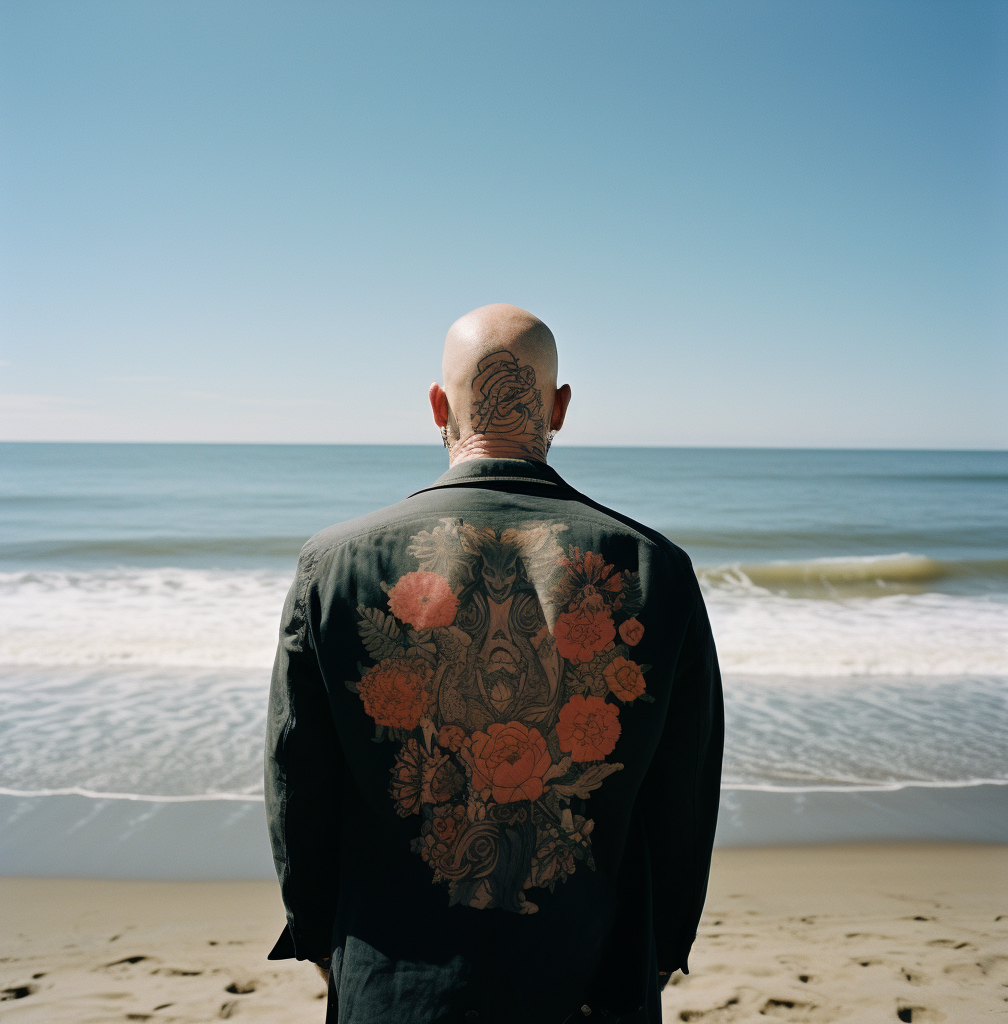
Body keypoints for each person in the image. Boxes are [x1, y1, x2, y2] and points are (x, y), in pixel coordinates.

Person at [265, 304, 724, 1024]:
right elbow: (683, 801)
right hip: (591, 987)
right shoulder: (655, 569)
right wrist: (659, 951)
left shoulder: (334, 565)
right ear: (560, 408)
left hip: (394, 986)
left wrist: (325, 942)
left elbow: (300, 784)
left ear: (438, 406)